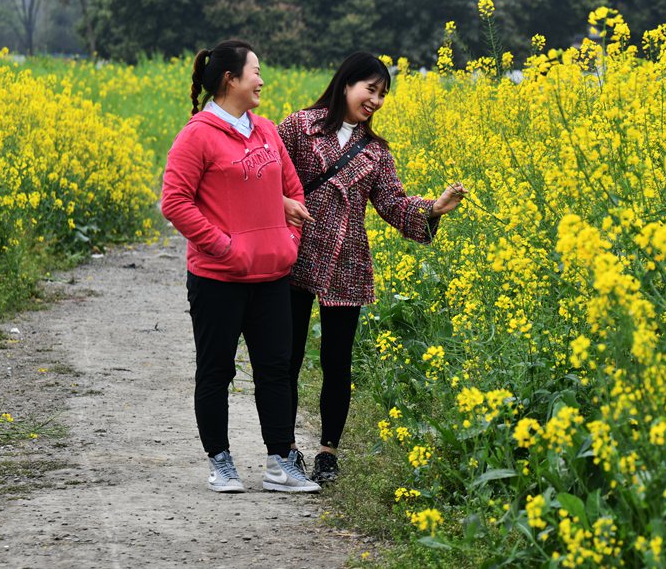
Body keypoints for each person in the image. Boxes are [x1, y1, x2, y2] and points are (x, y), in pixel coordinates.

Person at [277, 51, 466, 484]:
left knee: (337, 360)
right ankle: (285, 447)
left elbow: (393, 204)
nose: (376, 100)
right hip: (294, 253)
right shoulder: (298, 127)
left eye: (383, 94)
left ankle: (327, 451)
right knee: (285, 357)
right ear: (346, 84)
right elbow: (270, 178)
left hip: (347, 261)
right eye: (370, 89)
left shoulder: (375, 152)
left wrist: (433, 208)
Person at [162, 39, 320, 494]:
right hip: (217, 278)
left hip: (272, 274)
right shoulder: (198, 134)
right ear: (230, 79)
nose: (262, 80)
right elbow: (174, 201)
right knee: (216, 370)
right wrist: (224, 247)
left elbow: (292, 192)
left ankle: (279, 464)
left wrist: (287, 240)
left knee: (276, 368)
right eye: (255, 71)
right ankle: (221, 462)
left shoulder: (267, 131)